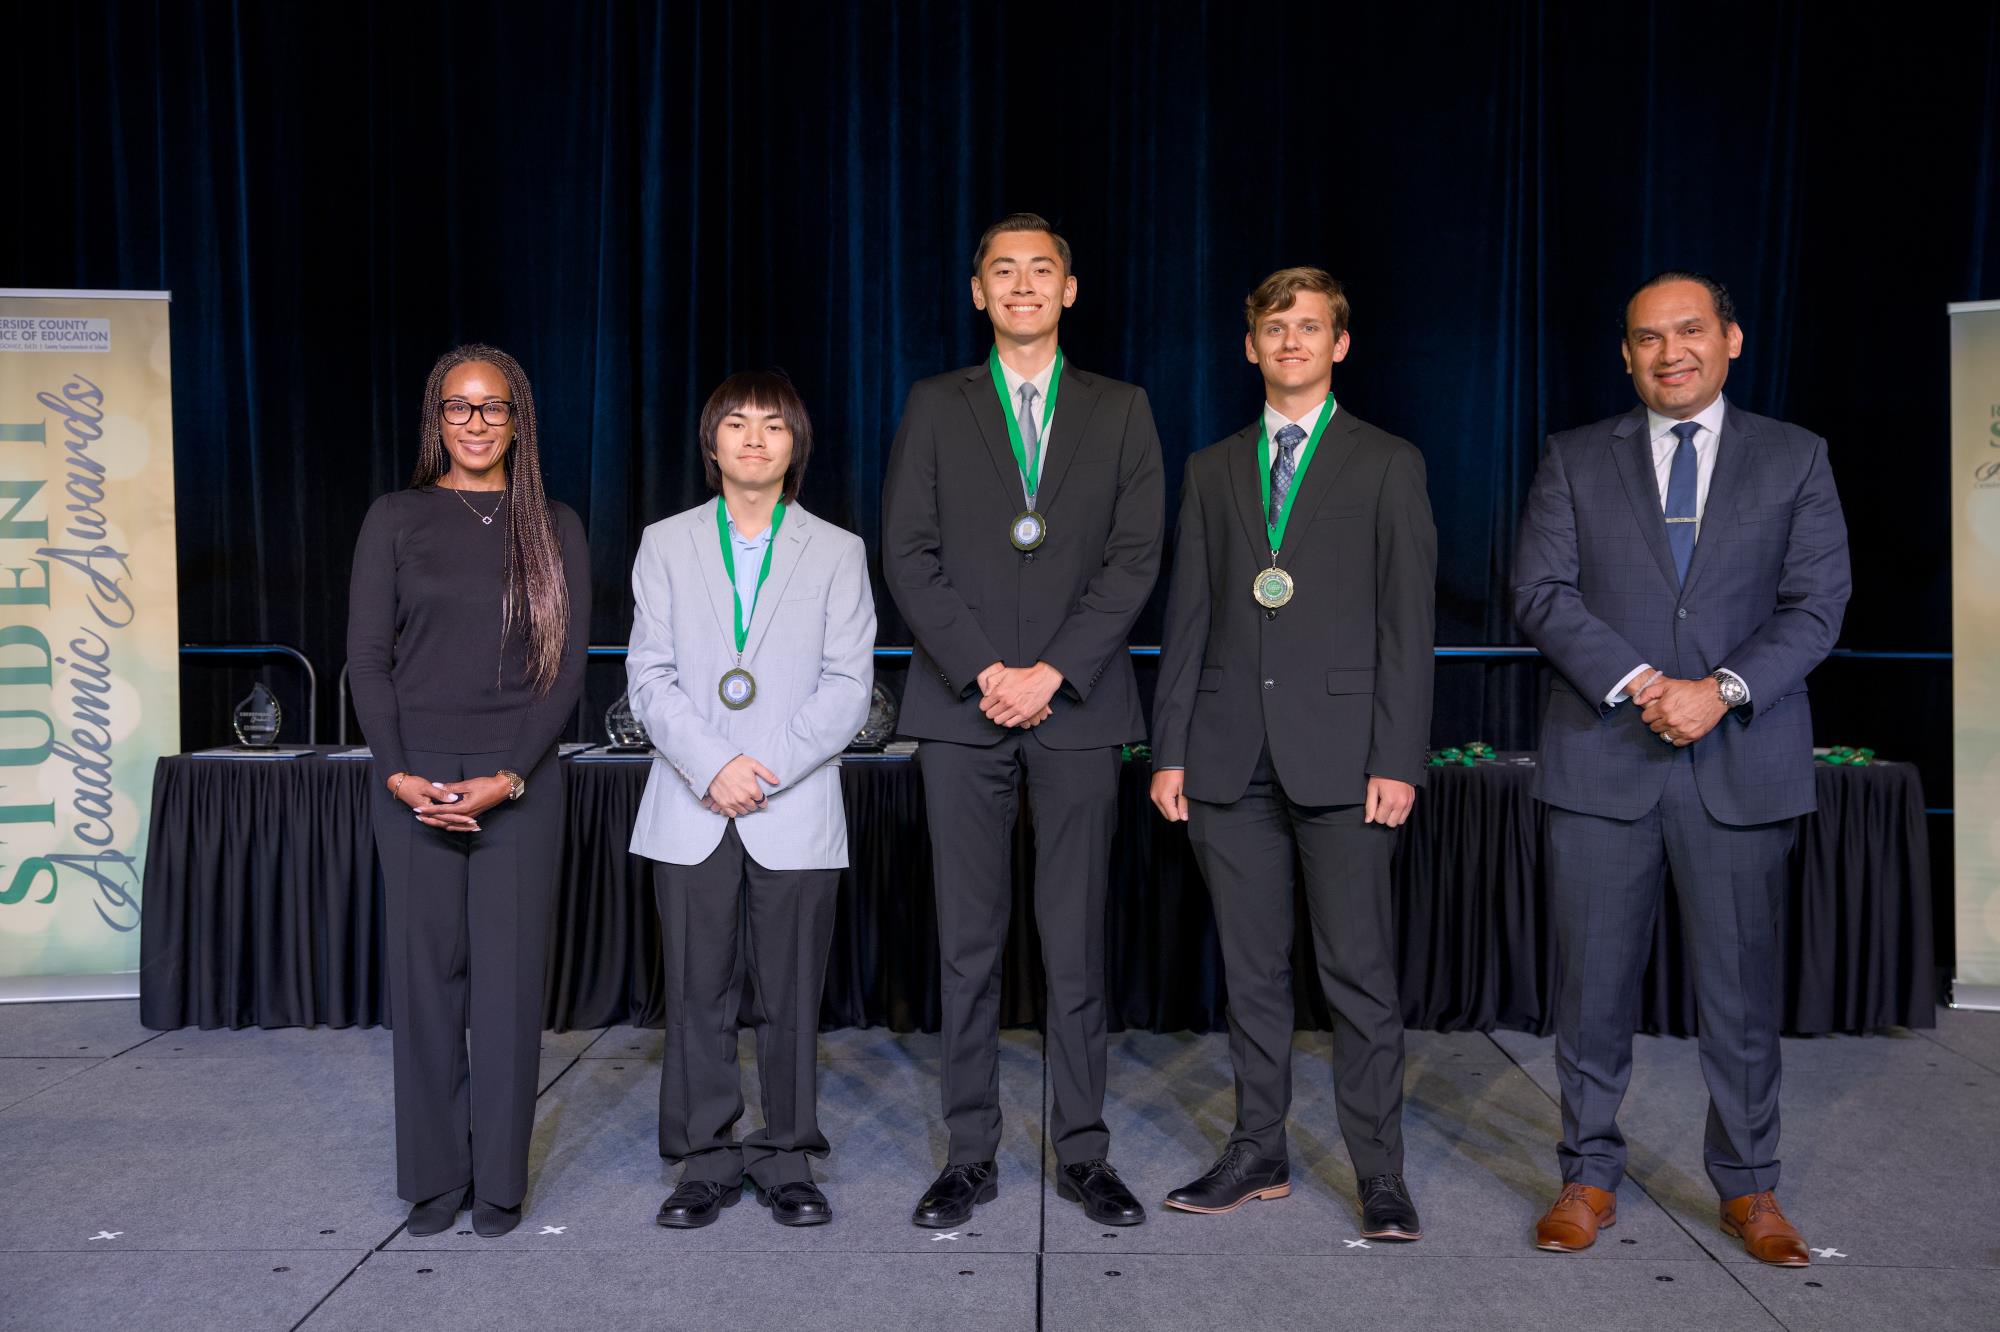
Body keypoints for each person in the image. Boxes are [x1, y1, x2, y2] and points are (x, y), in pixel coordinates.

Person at [1512, 271, 1849, 1265]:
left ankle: (1750, 1188)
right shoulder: (1573, 457)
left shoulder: (1795, 457)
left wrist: (1721, 690)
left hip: (1740, 761)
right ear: (1625, 355)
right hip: (1602, 759)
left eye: (1690, 331)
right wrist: (1643, 683)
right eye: (1648, 338)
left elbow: (1815, 606)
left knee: (1740, 998)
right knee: (1591, 993)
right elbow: (1540, 591)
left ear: (1729, 339)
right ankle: (1585, 1177)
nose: (1671, 353)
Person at [881, 212, 1164, 1228]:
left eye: (1041, 269)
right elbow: (907, 552)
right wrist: (986, 671)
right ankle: (969, 1156)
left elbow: (1135, 556)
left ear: (1069, 289)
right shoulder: (935, 403)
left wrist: (1050, 673)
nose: (1023, 284)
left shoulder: (1121, 408)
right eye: (1003, 270)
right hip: (962, 710)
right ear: (978, 293)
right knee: (968, 945)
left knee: (1074, 942)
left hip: (1076, 708)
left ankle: (1083, 1152)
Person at [1150, 268, 1436, 1239]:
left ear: (1338, 345)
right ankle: (1257, 1151)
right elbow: (1188, 618)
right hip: (1228, 758)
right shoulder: (1210, 468)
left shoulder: (1387, 462)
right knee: (1251, 974)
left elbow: (1407, 624)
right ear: (1250, 346)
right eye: (1274, 327)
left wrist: (1397, 757)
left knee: (1357, 975)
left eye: (1309, 327)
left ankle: (1380, 1172)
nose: (1290, 341)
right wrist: (1169, 748)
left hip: (1348, 762)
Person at [347, 343, 591, 1238]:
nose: (476, 423)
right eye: (459, 406)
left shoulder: (554, 525)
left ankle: (498, 1182)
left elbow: (566, 670)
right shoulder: (395, 516)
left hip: (519, 778)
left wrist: (510, 775)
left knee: (509, 989)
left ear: (518, 422)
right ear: (436, 418)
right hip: (412, 777)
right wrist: (398, 770)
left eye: (493, 408)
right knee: (425, 986)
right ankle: (433, 1178)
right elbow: (368, 658)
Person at [627, 371, 875, 1230]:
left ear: (795, 444)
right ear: (713, 442)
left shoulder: (837, 550)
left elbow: (849, 687)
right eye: (737, 423)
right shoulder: (665, 543)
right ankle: (705, 1159)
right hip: (691, 802)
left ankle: (785, 1156)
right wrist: (713, 766)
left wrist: (758, 769)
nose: (755, 438)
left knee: (789, 994)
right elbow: (648, 676)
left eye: (774, 425)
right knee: (697, 992)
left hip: (791, 803)